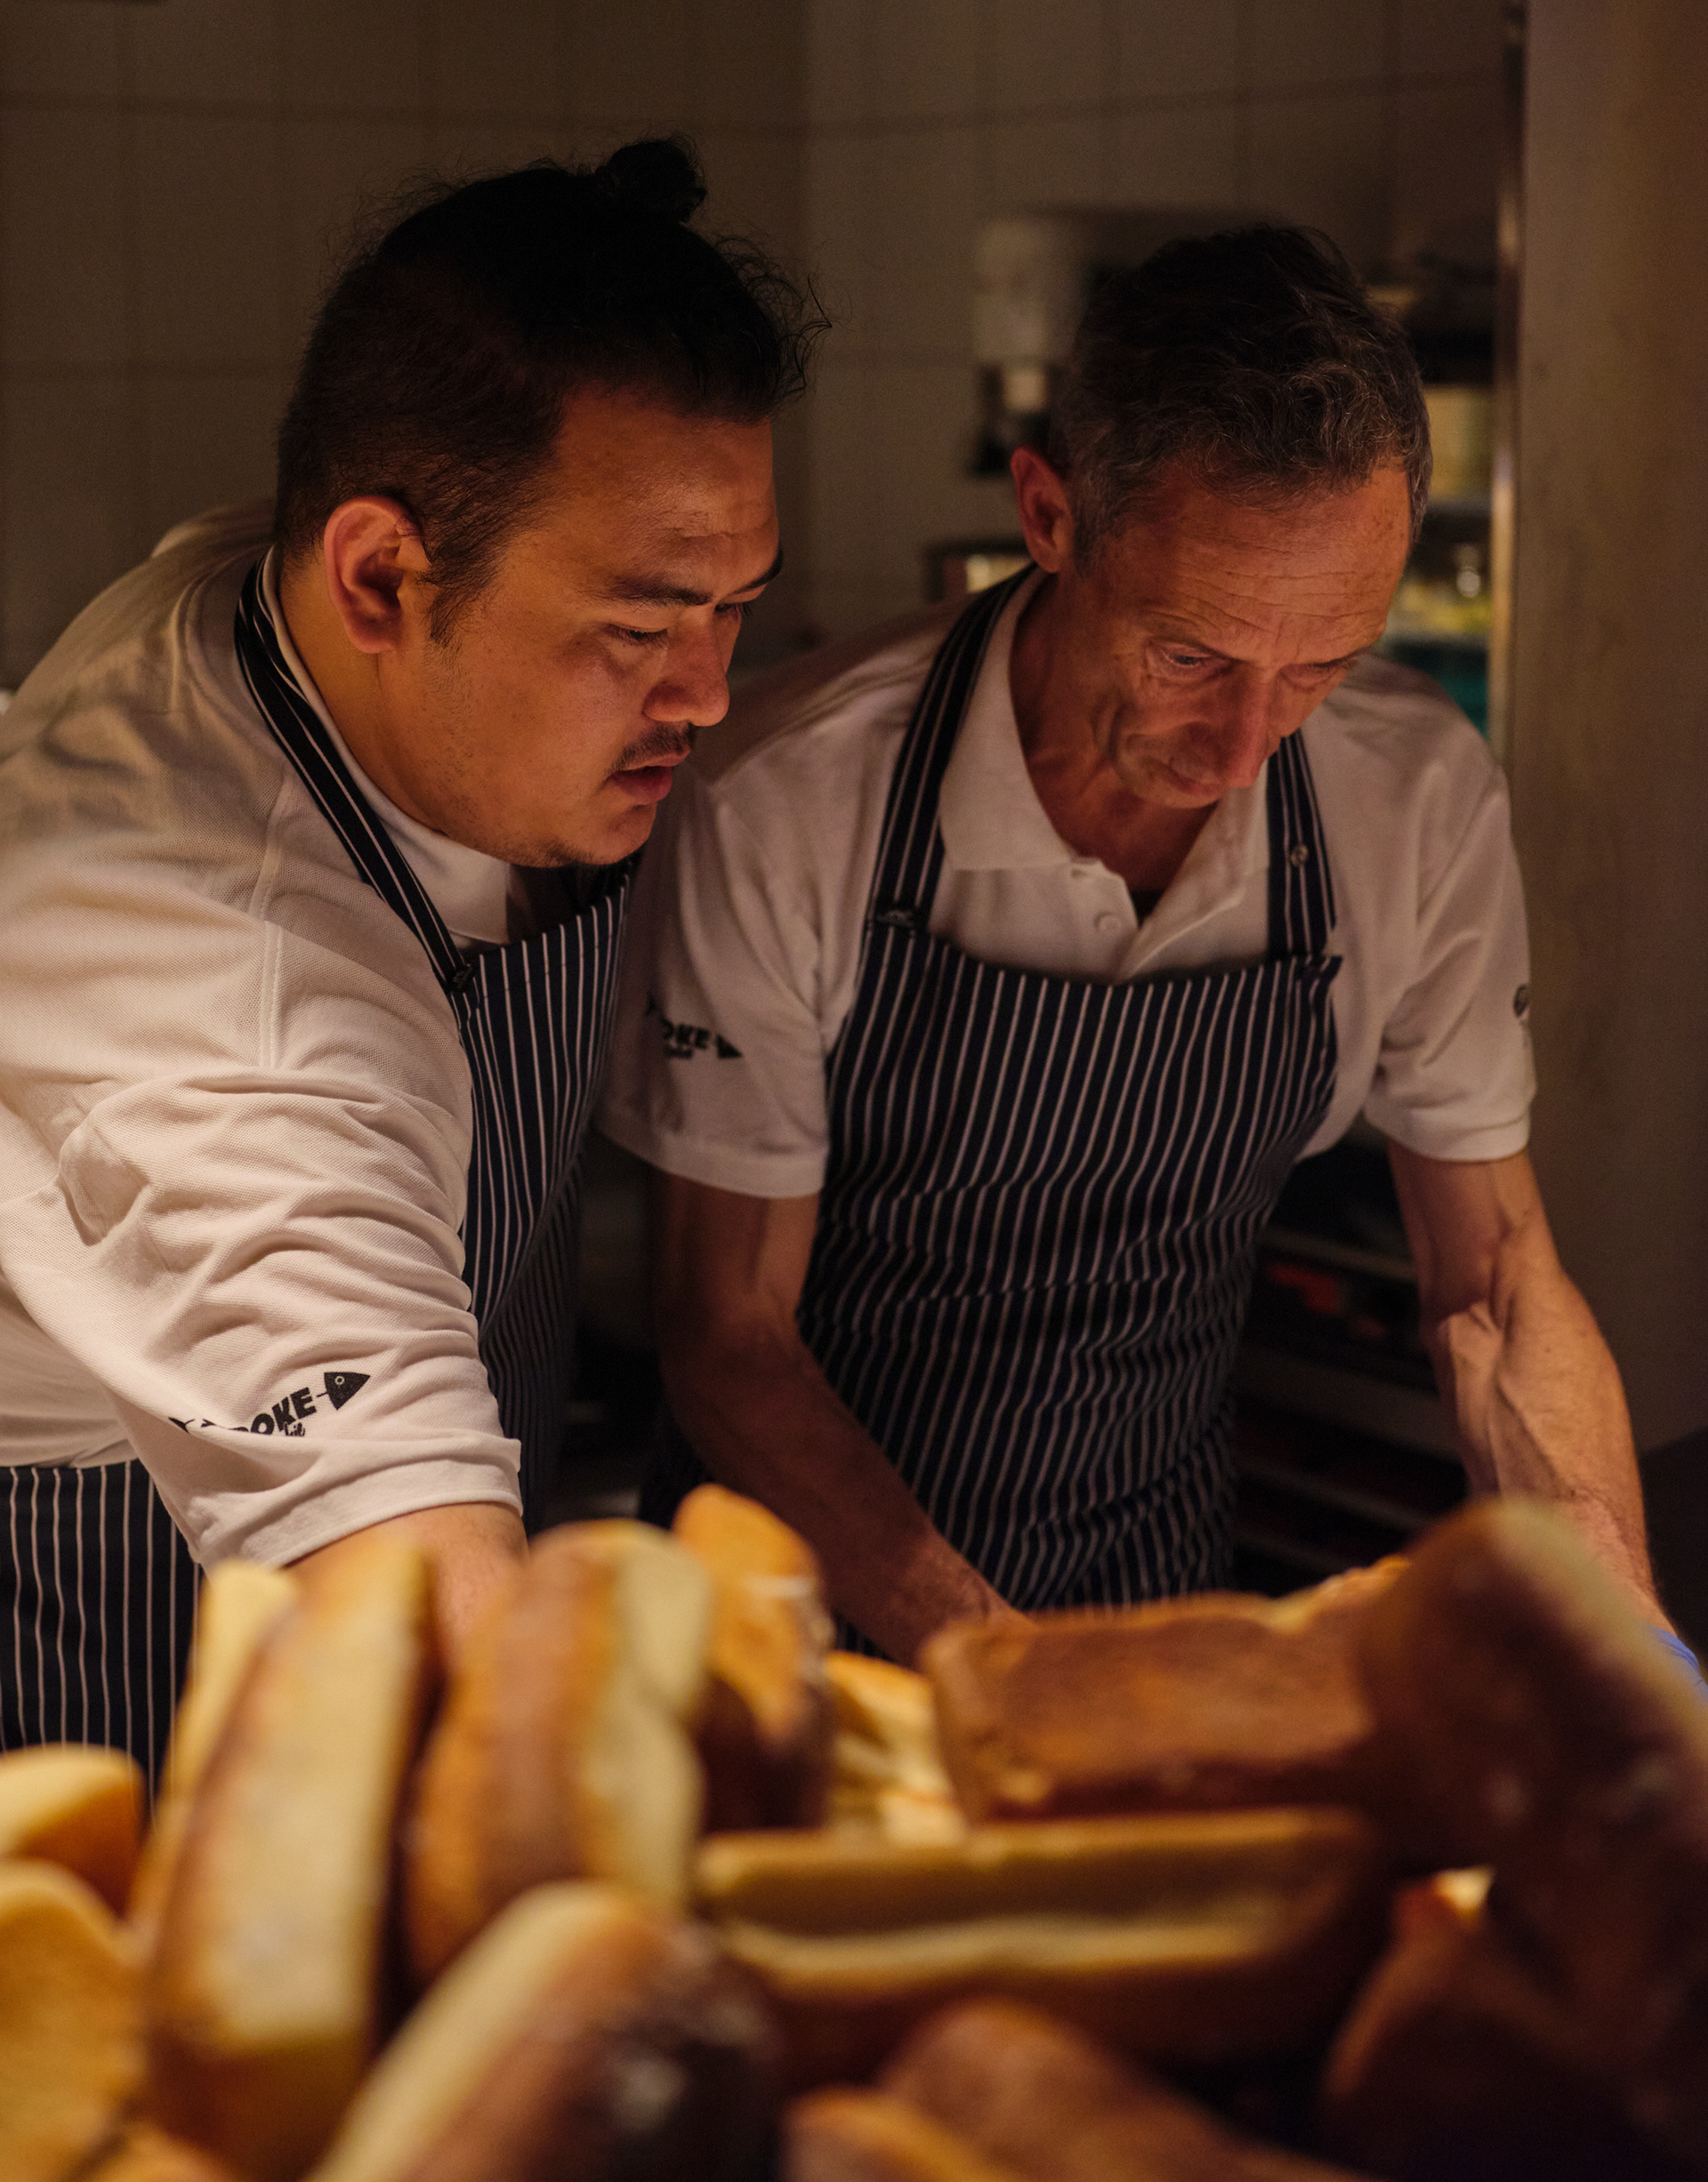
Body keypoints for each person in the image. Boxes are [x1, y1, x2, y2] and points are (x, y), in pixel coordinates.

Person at [602, 225, 1683, 1670]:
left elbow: (1495, 1280)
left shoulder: (1412, 799)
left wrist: (1625, 1625)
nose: (1244, 751)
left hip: (1157, 1589)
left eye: (1321, 667)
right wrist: (1006, 1669)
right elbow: (727, 1334)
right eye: (1191, 657)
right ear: (1049, 517)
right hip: (789, 1636)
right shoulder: (787, 797)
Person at [0, 138, 815, 1775]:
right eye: (640, 628)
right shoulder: (225, 1008)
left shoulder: (286, 597)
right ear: (378, 575)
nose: (710, 694)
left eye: (734, 608)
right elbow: (440, 1630)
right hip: (146, 1697)